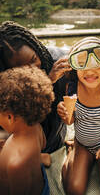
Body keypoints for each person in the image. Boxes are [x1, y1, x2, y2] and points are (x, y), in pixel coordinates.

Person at [0, 21, 100, 155]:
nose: (33, 68)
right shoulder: (6, 88)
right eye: (22, 69)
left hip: (56, 139)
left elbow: (89, 75)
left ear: (36, 48)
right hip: (25, 149)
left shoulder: (58, 61)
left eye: (34, 59)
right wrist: (48, 81)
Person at [57, 37, 100, 195]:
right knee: (74, 189)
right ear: (75, 69)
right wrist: (64, 114)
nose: (89, 72)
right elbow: (70, 121)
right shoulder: (72, 88)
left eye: (97, 65)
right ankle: (72, 150)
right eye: (83, 65)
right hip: (82, 144)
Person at [0, 65, 54, 195]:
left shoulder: (16, 164)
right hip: (40, 179)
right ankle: (39, 158)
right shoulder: (36, 126)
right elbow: (43, 144)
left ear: (9, 117)